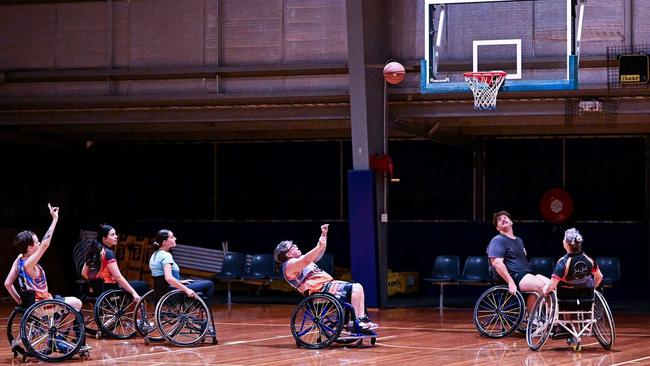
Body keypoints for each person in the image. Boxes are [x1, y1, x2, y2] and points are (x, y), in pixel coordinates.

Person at [3, 204, 91, 352]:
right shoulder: (29, 264)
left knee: (67, 302)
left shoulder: (19, 259)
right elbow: (45, 244)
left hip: (37, 303)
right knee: (77, 303)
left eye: (38, 241)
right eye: (36, 242)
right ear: (30, 248)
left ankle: (59, 336)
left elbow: (7, 283)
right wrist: (55, 219)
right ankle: (57, 339)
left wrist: (21, 302)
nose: (39, 243)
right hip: (42, 305)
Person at [274, 224, 378, 330]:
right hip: (318, 291)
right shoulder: (289, 265)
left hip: (326, 287)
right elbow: (306, 259)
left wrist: (323, 235)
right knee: (354, 288)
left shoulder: (299, 261)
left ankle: (361, 319)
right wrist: (318, 246)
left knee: (358, 286)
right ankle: (355, 322)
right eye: (292, 247)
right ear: (288, 254)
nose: (296, 246)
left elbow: (319, 253)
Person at [486, 211, 550, 314]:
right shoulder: (498, 240)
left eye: (505, 217)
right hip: (514, 275)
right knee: (541, 285)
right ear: (497, 228)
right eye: (499, 220)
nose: (503, 219)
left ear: (511, 222)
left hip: (526, 273)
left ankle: (552, 322)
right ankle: (534, 321)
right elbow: (497, 263)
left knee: (551, 286)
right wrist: (510, 282)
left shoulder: (519, 240)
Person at [81, 224, 148, 301]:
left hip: (97, 291)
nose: (116, 236)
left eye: (115, 234)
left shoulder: (92, 252)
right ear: (104, 238)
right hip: (111, 290)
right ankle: (140, 312)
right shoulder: (108, 253)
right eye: (112, 235)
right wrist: (133, 293)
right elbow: (118, 277)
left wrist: (95, 283)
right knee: (143, 285)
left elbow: (84, 273)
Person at [149, 229, 214, 302]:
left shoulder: (155, 255)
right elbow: (169, 278)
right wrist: (187, 290)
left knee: (196, 282)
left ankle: (200, 308)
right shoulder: (166, 255)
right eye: (172, 237)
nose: (175, 238)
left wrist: (178, 281)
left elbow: (161, 278)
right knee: (209, 284)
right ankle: (203, 311)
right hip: (172, 292)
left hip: (161, 291)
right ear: (165, 242)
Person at [543, 228, 603, 294]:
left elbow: (552, 286)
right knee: (538, 276)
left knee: (542, 280)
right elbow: (599, 276)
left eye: (564, 238)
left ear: (566, 243)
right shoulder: (589, 260)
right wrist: (591, 290)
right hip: (586, 299)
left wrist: (544, 290)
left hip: (566, 299)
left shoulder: (563, 262)